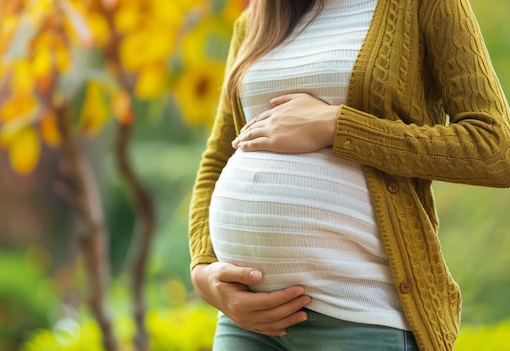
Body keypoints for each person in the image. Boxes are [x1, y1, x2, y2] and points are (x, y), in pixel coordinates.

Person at [187, 0, 510, 350]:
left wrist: (338, 126)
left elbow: (494, 149)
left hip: (360, 319)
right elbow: (219, 159)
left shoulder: (423, 6)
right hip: (247, 324)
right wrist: (203, 271)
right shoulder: (258, 19)